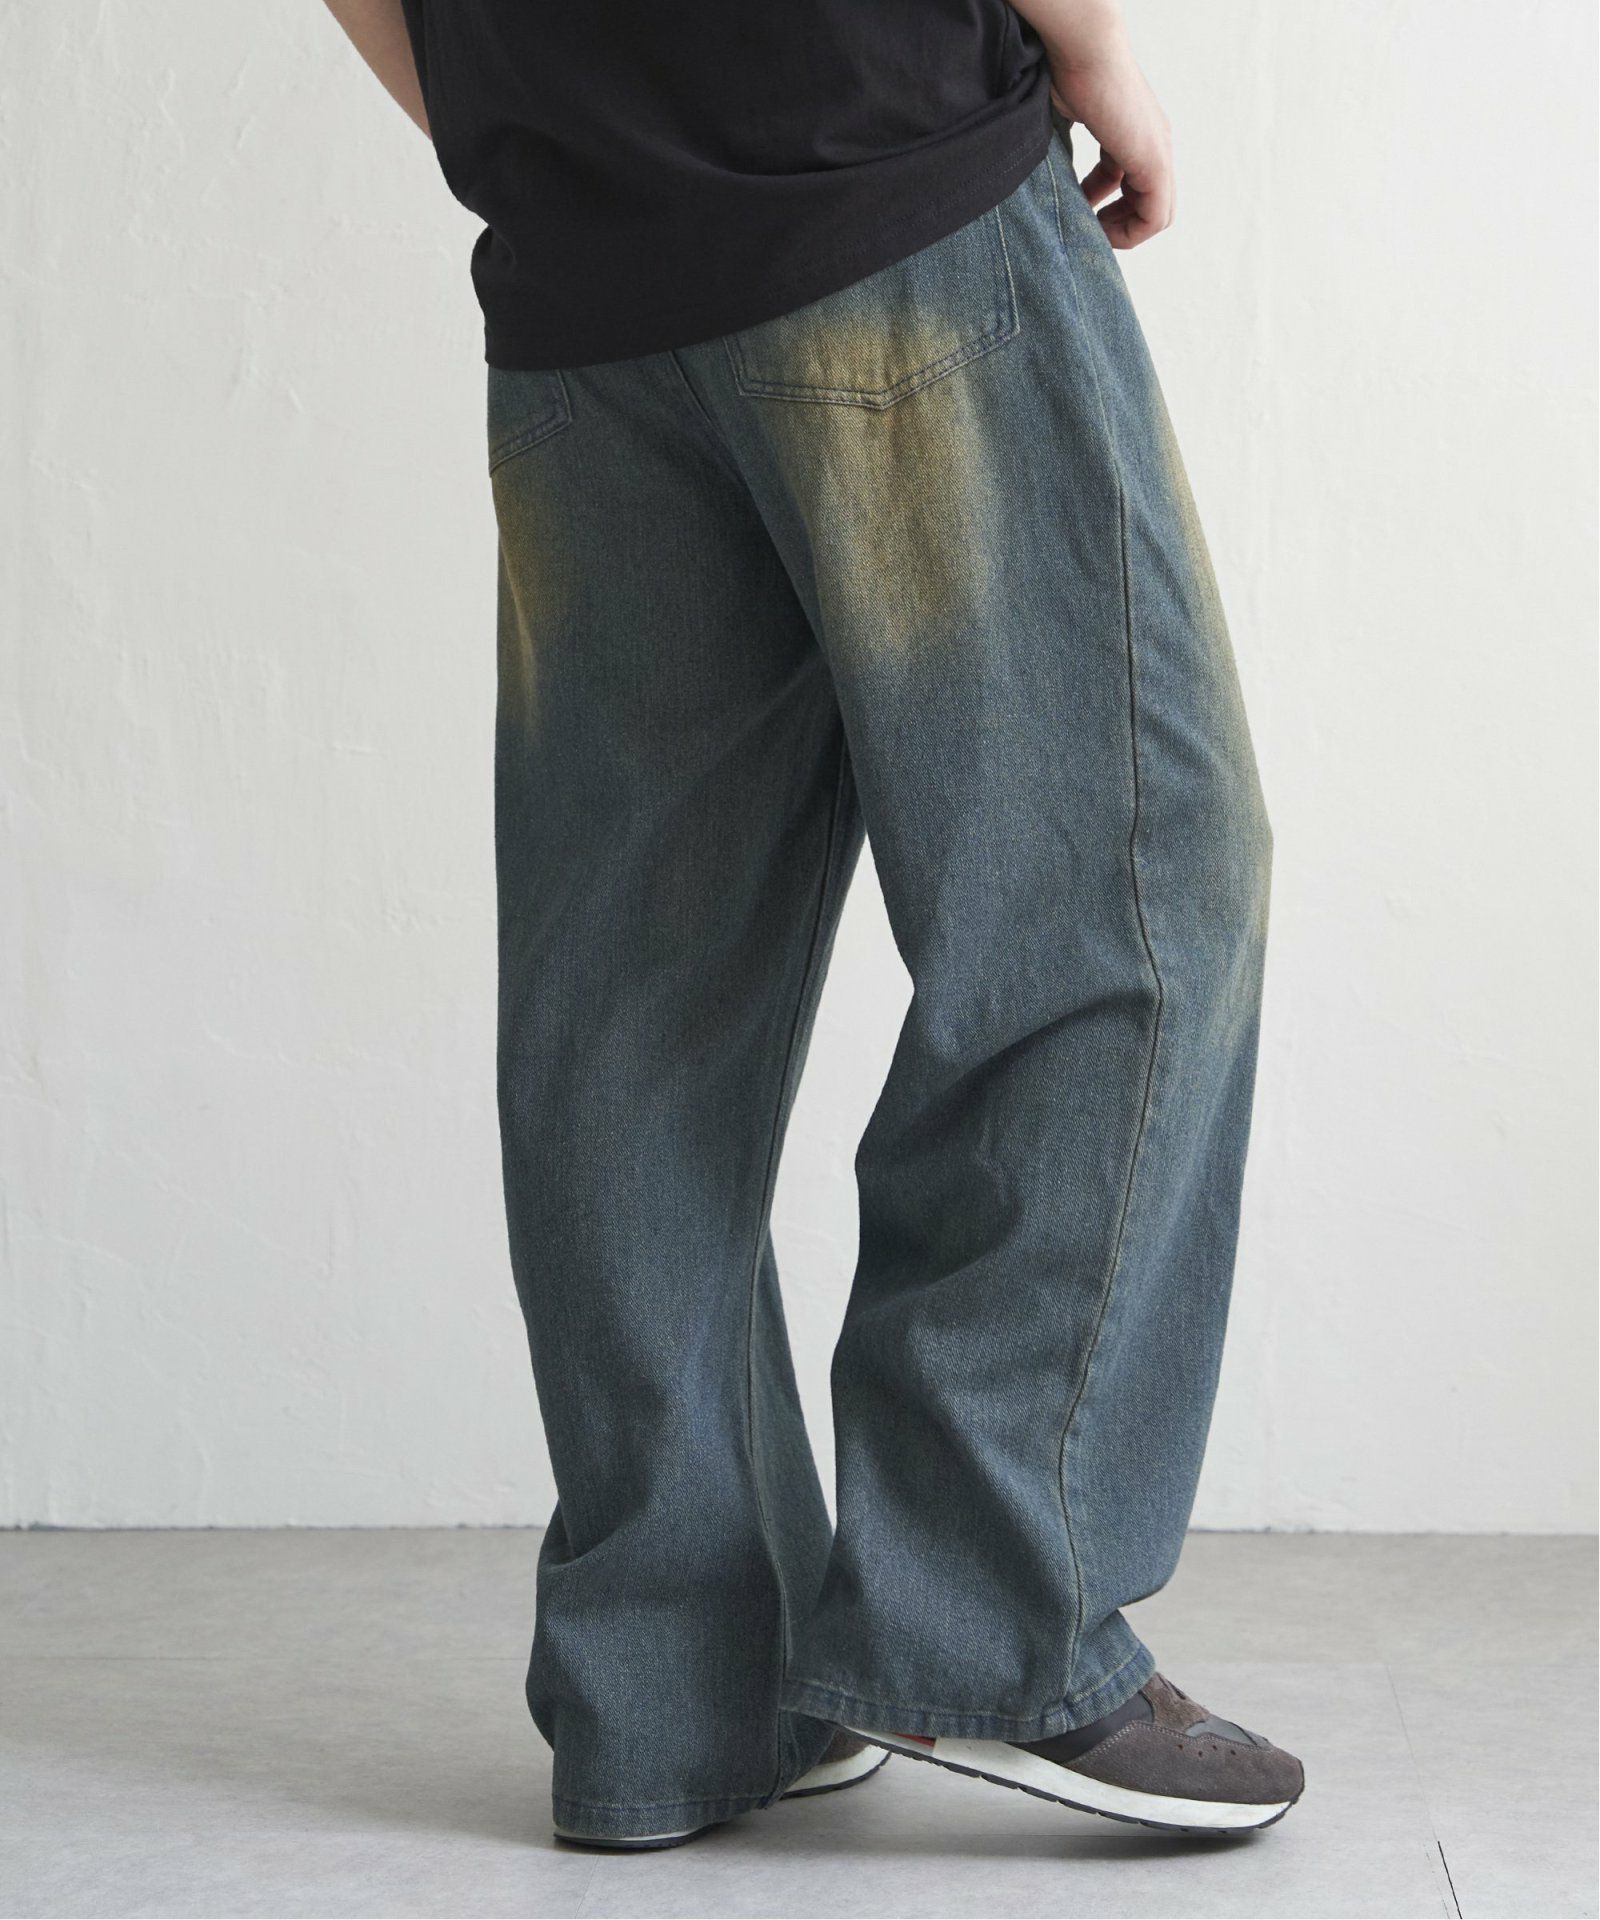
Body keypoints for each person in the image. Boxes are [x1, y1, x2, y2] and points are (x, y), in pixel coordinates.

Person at [320, 0, 1303, 1851]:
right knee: (1129, 891)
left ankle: (674, 1701)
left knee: (636, 1002)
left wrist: (543, 118)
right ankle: (989, 1623)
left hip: (585, 269)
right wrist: (1093, 48)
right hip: (876, 174)